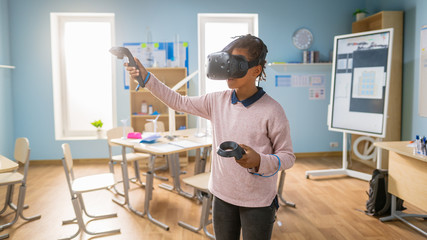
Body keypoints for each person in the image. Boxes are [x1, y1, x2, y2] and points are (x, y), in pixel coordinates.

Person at [126, 34, 295, 240]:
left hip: (258, 202)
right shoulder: (216, 101)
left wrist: (260, 160)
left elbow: (287, 156)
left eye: (236, 64)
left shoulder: (272, 110)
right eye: (226, 63)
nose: (228, 71)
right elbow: (178, 101)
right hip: (222, 196)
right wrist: (146, 78)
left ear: (256, 70)